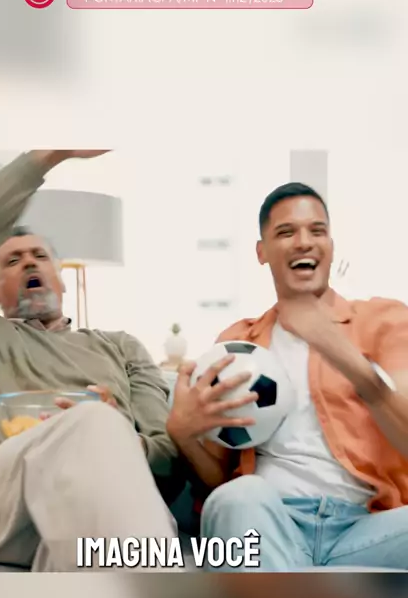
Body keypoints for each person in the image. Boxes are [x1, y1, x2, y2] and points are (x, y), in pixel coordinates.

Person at [0, 149, 189, 572]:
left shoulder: (121, 347)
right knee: (93, 423)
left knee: (94, 462)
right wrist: (48, 156)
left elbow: (167, 456)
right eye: (12, 260)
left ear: (63, 280)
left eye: (39, 256)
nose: (28, 262)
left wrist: (124, 436)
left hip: (100, 492)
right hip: (1, 494)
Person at [166, 182, 408, 571]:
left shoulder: (385, 321)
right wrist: (182, 433)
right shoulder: (238, 344)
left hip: (365, 528)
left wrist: (346, 357)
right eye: (286, 232)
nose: (304, 242)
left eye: (317, 231)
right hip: (273, 521)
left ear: (331, 245)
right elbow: (218, 478)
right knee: (237, 497)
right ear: (261, 252)